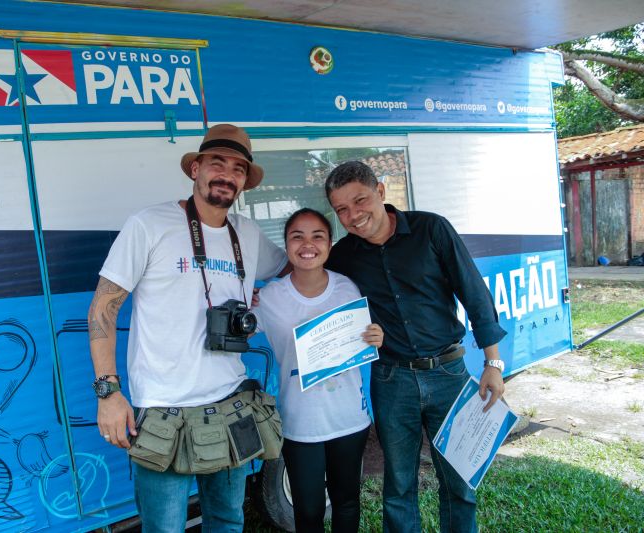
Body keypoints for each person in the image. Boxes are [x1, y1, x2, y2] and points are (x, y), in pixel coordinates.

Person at [87, 124, 288, 532]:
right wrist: (108, 393)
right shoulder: (150, 224)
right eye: (217, 163)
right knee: (163, 528)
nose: (227, 175)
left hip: (230, 402)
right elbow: (103, 308)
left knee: (228, 520)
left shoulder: (247, 234)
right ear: (195, 168)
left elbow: (297, 268)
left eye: (238, 169)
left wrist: (269, 299)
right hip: (163, 408)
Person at [323, 161, 507, 533]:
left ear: (381, 191)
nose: (353, 215)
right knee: (399, 485)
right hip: (391, 380)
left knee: (459, 480)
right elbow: (306, 273)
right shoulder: (344, 255)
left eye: (360, 200)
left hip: (449, 375)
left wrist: (493, 363)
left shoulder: (431, 229)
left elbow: (473, 293)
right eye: (341, 209)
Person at [252, 208, 384, 533]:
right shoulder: (269, 298)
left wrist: (377, 337)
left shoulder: (348, 289)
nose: (307, 244)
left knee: (347, 503)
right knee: (308, 512)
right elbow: (236, 325)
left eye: (317, 236)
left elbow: (366, 337)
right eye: (297, 236)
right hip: (300, 421)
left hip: (348, 418)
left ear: (329, 244)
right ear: (286, 245)